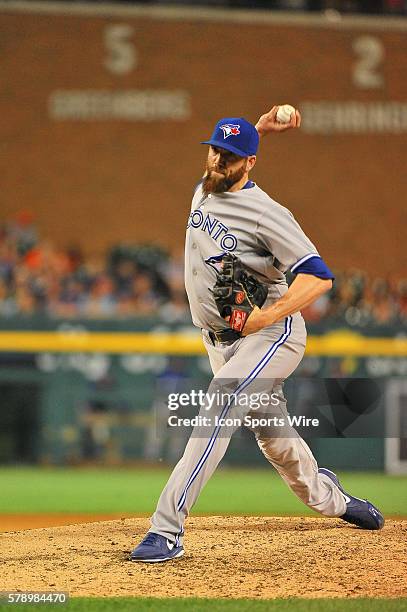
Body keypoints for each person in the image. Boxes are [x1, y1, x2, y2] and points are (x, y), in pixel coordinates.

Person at [130, 106, 384, 563]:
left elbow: (318, 278)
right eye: (214, 151)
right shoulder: (203, 190)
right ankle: (334, 500)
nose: (217, 162)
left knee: (219, 403)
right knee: (276, 441)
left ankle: (166, 530)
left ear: (248, 163)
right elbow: (230, 147)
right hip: (220, 341)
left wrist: (270, 317)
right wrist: (257, 130)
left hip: (273, 336)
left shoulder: (268, 213)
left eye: (229, 156)